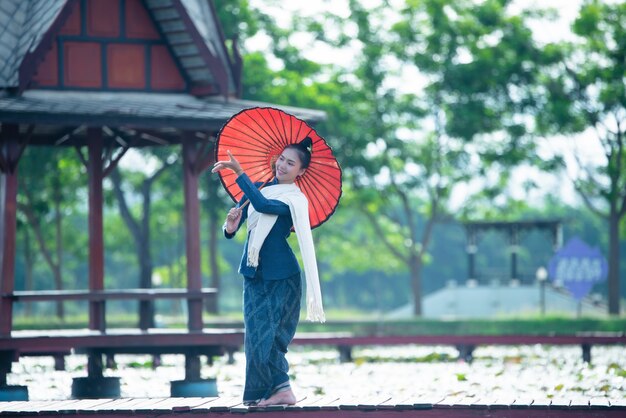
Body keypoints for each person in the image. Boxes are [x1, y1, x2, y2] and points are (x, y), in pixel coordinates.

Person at [211, 137, 325, 406]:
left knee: (271, 335)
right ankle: (270, 391)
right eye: (281, 159)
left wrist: (240, 173)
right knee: (255, 336)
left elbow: (262, 205)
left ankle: (280, 390)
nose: (282, 166)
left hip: (282, 276)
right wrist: (229, 226)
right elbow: (235, 230)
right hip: (253, 273)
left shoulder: (295, 200)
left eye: (290, 163)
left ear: (301, 171)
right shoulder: (259, 187)